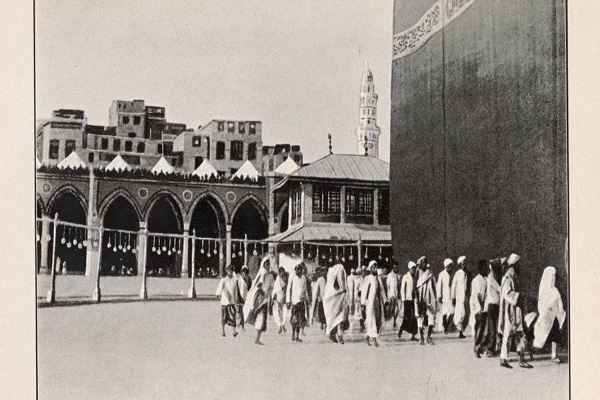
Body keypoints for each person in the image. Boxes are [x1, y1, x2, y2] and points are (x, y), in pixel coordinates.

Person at [498, 253, 532, 368]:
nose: (520, 265)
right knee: (508, 334)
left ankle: (522, 359)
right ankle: (503, 358)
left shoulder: (515, 275)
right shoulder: (509, 275)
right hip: (510, 310)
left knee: (520, 333)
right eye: (518, 263)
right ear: (515, 264)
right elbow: (506, 293)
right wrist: (518, 296)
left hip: (517, 309)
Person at [533, 266, 566, 364]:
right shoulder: (544, 291)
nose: (554, 279)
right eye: (552, 276)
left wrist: (560, 310)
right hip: (546, 317)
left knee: (555, 336)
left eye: (554, 276)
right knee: (543, 333)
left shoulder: (555, 291)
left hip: (554, 317)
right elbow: (541, 304)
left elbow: (560, 304)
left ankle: (554, 355)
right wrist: (546, 311)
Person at [243, 256, 274, 345]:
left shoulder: (270, 275)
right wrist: (261, 292)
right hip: (259, 297)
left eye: (269, 264)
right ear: (263, 265)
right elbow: (257, 285)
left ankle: (257, 338)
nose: (268, 266)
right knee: (256, 313)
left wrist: (268, 294)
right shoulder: (262, 273)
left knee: (262, 318)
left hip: (265, 298)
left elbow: (271, 286)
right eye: (266, 264)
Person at [361, 260, 388, 347]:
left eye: (376, 267)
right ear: (370, 268)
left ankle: (368, 337)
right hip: (370, 302)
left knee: (377, 320)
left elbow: (382, 290)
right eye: (373, 267)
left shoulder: (378, 279)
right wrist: (363, 304)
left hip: (378, 303)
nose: (375, 269)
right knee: (371, 320)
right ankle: (374, 339)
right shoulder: (367, 278)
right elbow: (364, 292)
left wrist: (385, 300)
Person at [324, 263, 349, 344]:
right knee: (334, 320)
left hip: (341, 301)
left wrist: (343, 292)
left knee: (341, 320)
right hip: (333, 302)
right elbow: (330, 293)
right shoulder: (331, 278)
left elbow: (343, 287)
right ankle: (333, 334)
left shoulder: (341, 276)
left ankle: (340, 336)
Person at [482, 258, 502, 357]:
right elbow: (499, 289)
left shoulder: (491, 277)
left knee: (493, 327)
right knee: (493, 328)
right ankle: (490, 349)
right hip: (493, 305)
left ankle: (492, 348)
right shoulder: (491, 278)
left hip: (492, 305)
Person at [415, 257, 437, 345]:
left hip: (429, 298)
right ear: (420, 264)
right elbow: (415, 286)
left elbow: (434, 286)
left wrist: (435, 297)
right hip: (420, 298)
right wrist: (416, 298)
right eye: (422, 262)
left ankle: (428, 337)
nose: (424, 263)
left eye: (425, 262)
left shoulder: (430, 274)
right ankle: (421, 338)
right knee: (419, 318)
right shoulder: (417, 273)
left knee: (431, 317)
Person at [287, 262, 310, 342]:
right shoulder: (292, 277)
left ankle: (297, 336)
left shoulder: (303, 278)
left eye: (300, 270)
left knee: (300, 320)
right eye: (297, 270)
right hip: (294, 302)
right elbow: (288, 289)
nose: (299, 271)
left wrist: (307, 300)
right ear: (295, 270)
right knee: (294, 320)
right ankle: (293, 334)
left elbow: (305, 289)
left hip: (301, 302)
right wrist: (288, 300)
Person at [470, 259, 488, 357]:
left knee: (483, 330)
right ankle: (476, 348)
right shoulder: (476, 280)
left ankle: (480, 348)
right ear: (480, 269)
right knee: (479, 329)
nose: (485, 269)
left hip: (485, 308)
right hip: (479, 309)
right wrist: (479, 309)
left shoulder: (486, 279)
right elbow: (476, 296)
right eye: (483, 268)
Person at [215, 265, 240, 338]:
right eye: (229, 270)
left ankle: (234, 331)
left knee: (233, 316)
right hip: (225, 301)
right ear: (227, 271)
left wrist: (236, 300)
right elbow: (219, 288)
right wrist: (218, 294)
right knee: (224, 317)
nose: (230, 272)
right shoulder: (224, 280)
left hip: (232, 301)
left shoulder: (234, 281)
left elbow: (235, 291)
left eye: (232, 270)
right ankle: (223, 331)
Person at [398, 261, 418, 341]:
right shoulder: (405, 277)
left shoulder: (414, 277)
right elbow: (402, 289)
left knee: (413, 318)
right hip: (407, 300)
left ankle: (413, 335)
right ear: (409, 269)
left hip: (412, 300)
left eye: (414, 268)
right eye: (412, 268)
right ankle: (401, 330)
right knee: (407, 317)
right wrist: (403, 300)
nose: (413, 270)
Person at [451, 256, 470, 339]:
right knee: (460, 314)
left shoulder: (468, 274)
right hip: (459, 297)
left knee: (466, 314)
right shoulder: (458, 274)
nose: (464, 265)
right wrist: (453, 297)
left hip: (466, 297)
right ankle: (459, 331)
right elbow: (453, 286)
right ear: (460, 265)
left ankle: (462, 331)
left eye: (465, 263)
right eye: (463, 263)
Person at [437, 258, 454, 334]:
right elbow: (439, 286)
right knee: (444, 312)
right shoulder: (441, 274)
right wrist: (439, 295)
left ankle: (446, 326)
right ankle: (445, 328)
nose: (450, 267)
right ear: (446, 266)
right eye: (449, 265)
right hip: (444, 297)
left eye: (451, 265)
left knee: (452, 312)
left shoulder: (452, 274)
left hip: (451, 296)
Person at [272, 267, 289, 334]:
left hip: (284, 298)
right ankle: (280, 326)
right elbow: (275, 290)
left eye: (283, 272)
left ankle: (283, 325)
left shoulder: (287, 279)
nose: (282, 274)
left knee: (285, 313)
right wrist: (274, 297)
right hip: (278, 298)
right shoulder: (277, 280)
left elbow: (288, 288)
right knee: (278, 313)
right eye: (280, 272)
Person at [387, 262, 401, 328]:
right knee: (392, 309)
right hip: (392, 295)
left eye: (397, 268)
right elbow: (388, 286)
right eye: (395, 267)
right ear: (393, 268)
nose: (396, 269)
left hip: (398, 295)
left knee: (399, 308)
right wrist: (388, 296)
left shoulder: (399, 275)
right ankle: (393, 321)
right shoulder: (390, 275)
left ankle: (395, 319)